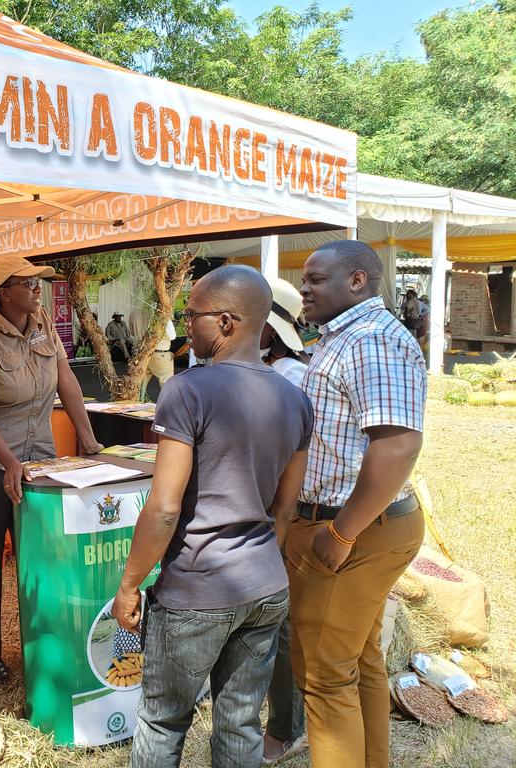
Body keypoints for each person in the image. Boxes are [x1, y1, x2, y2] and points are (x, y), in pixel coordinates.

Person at [113, 265, 313, 768]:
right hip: (265, 586)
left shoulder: (187, 389)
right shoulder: (296, 398)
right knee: (241, 721)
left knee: (163, 722)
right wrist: (259, 558)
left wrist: (129, 585)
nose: (185, 326)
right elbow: (285, 508)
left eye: (191, 315)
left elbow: (164, 508)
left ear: (226, 321)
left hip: (197, 588)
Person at [291, 241, 426, 768]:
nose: (304, 289)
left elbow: (397, 445)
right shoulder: (343, 336)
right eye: (304, 280)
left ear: (357, 281)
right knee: (359, 661)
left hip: (355, 529)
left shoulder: (371, 339)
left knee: (324, 676)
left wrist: (341, 533)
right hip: (358, 523)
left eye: (315, 279)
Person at [0, 257, 102, 683]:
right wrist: (9, 462)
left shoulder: (43, 323)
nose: (37, 288)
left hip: (35, 453)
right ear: (4, 292)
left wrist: (88, 439)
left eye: (39, 282)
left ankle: (49, 648)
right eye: (27, 283)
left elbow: (67, 381)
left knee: (44, 551)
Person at [259, 276, 309, 764]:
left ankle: (286, 726)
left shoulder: (290, 377)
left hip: (286, 514)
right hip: (270, 511)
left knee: (283, 622)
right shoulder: (266, 369)